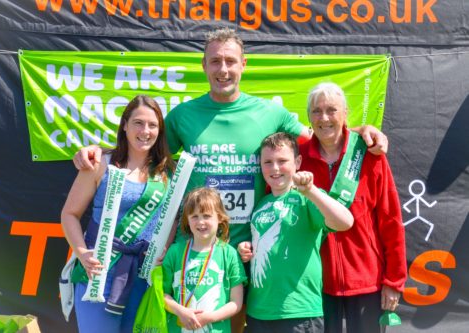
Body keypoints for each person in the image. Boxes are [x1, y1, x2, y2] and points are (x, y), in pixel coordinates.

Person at [73, 27, 388, 332]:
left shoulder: (270, 113)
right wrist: (98, 151)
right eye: (215, 61)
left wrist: (360, 131)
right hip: (195, 249)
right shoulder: (184, 115)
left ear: (243, 65)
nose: (223, 69)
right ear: (204, 66)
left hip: (249, 250)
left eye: (230, 61)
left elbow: (321, 138)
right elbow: (143, 145)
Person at [61, 95, 175, 333]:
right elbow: (69, 214)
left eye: (152, 125)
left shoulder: (166, 172)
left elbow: (172, 217)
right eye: (138, 123)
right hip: (100, 274)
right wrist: (82, 254)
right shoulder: (100, 164)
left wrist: (166, 247)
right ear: (125, 125)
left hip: (145, 277)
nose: (145, 131)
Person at [299, 83, 407, 333]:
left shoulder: (369, 154)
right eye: (316, 111)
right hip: (315, 284)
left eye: (331, 110)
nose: (324, 118)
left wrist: (394, 280)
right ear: (308, 117)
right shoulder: (297, 157)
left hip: (366, 281)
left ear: (346, 113)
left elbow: (391, 220)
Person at [237, 132, 353, 333]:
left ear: (298, 162)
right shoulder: (261, 204)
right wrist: (246, 249)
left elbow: (345, 222)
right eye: (268, 162)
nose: (275, 168)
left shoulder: (307, 198)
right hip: (258, 312)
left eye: (282, 161)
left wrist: (311, 191)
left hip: (298, 312)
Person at [162, 187, 247, 333]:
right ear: (187, 220)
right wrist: (180, 311)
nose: (201, 222)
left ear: (219, 217)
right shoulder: (175, 252)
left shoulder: (229, 254)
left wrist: (210, 317)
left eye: (207, 216)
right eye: (194, 216)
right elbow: (162, 294)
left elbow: (236, 303)